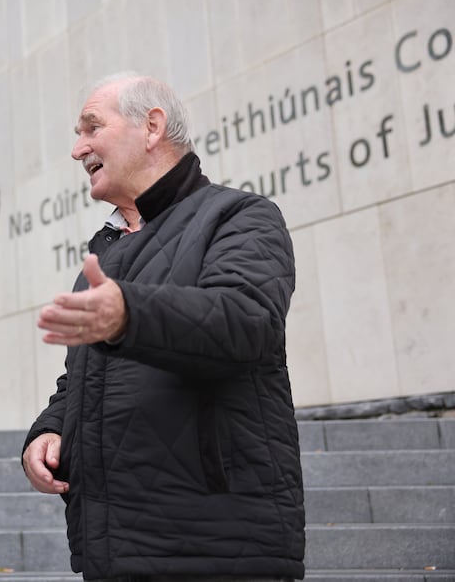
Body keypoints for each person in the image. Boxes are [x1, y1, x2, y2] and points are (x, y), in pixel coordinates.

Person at [22, 73, 305, 581]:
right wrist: (51, 428)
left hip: (217, 544)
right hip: (113, 549)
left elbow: (247, 322)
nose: (77, 149)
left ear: (152, 127)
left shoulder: (240, 217)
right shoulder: (105, 250)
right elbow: (85, 379)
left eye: (91, 127)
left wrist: (129, 314)